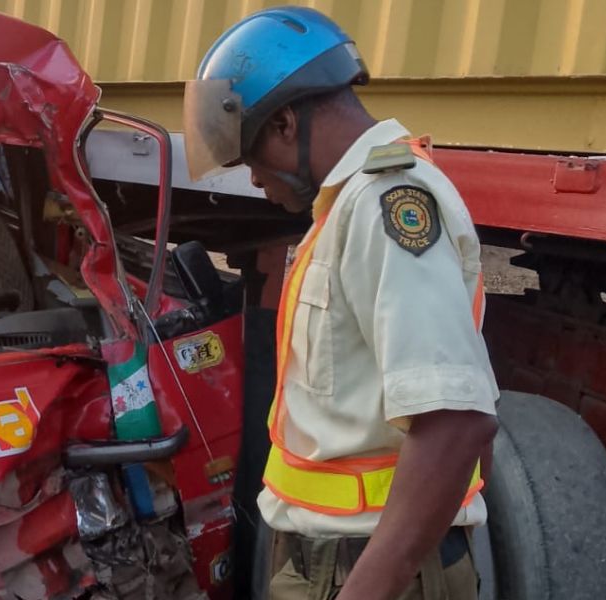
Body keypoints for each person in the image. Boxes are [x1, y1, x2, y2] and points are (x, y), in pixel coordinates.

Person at [184, 7, 500, 600]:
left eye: (251, 156)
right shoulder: (346, 208)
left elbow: (456, 422)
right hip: (333, 558)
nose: (252, 180)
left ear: (284, 124)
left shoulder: (388, 204)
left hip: (366, 569)